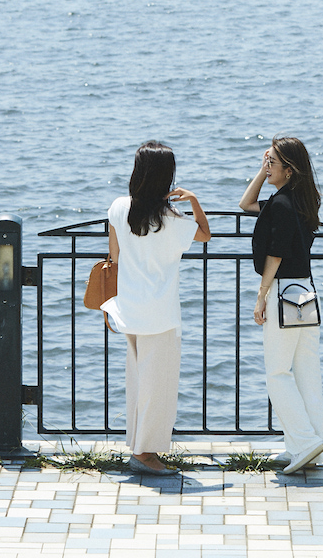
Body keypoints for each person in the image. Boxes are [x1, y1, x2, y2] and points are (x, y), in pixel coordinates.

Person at [101, 141, 211, 475]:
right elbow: (205, 234)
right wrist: (193, 200)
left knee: (137, 382)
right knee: (158, 386)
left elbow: (114, 257)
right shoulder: (171, 218)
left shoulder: (119, 208)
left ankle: (138, 446)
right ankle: (145, 454)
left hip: (129, 308)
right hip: (161, 313)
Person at [240, 135, 323, 475]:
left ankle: (304, 443)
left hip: (282, 292)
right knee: (306, 374)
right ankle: (309, 446)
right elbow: (246, 203)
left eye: (272, 163)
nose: (267, 167)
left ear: (289, 170)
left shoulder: (281, 205)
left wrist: (261, 296)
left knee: (277, 373)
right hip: (305, 290)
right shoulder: (301, 202)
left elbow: (275, 255)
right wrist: (262, 171)